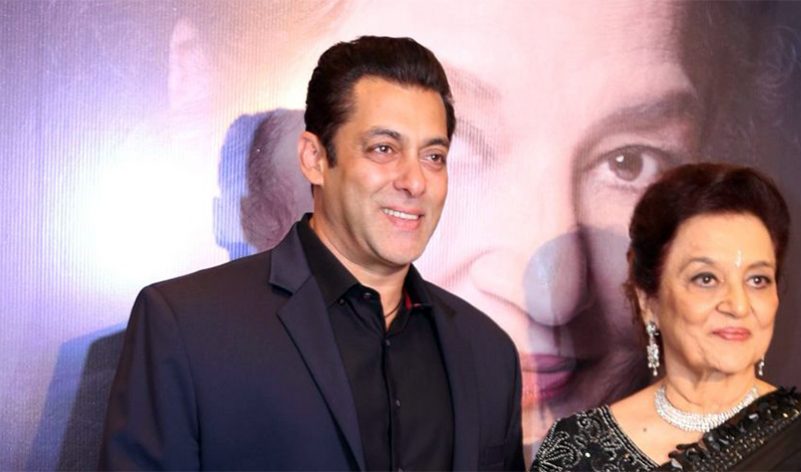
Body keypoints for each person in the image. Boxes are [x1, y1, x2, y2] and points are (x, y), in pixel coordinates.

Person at [199, 3, 791, 457]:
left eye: (628, 162)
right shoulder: (189, 360)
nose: (556, 294)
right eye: (449, 149)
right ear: (306, 160)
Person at [100, 36, 524, 470]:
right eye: (384, 149)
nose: (415, 182)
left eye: (433, 156)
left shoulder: (487, 351)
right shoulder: (189, 327)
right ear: (314, 158)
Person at [530, 163, 801, 471]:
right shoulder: (575, 451)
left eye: (758, 280)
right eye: (706, 279)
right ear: (649, 301)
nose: (738, 305)